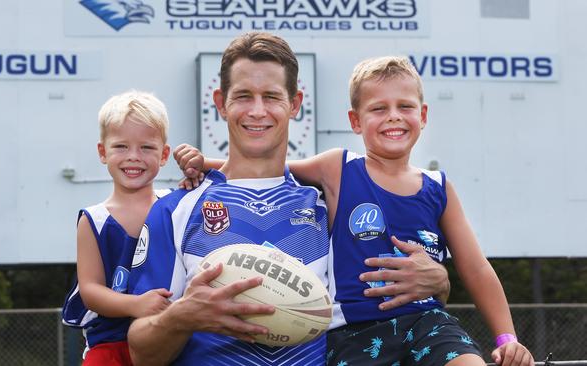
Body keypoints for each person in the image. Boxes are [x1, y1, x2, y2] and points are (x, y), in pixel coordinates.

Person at [175, 56, 535, 365]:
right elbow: (267, 166)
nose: (393, 117)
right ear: (355, 121)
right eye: (378, 109)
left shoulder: (438, 186)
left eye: (405, 107)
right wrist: (205, 165)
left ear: (422, 115)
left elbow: (476, 268)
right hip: (353, 332)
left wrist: (507, 340)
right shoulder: (339, 168)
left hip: (428, 322)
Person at [127, 33, 450, 365]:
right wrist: (179, 317)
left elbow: (390, 287)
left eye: (271, 96)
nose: (257, 111)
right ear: (221, 102)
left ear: (295, 104)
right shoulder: (175, 209)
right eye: (243, 96)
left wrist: (439, 281)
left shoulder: (332, 205)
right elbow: (140, 352)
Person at [61, 90, 173, 365]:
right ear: (103, 152)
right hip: (111, 343)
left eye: (146, 147)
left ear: (164, 154)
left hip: (170, 340)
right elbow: (91, 291)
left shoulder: (176, 206)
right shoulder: (94, 220)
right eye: (121, 146)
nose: (133, 156)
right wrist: (136, 305)